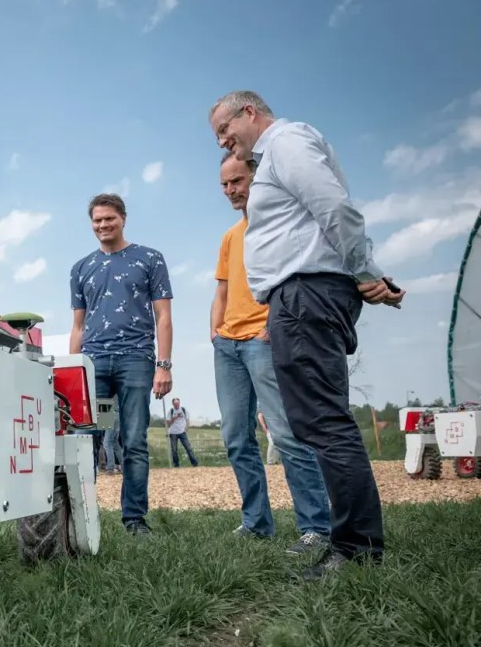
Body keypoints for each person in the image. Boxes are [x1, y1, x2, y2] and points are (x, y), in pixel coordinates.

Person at [209, 90, 405, 579]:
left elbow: (334, 206)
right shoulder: (275, 154)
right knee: (318, 422)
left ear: (249, 112)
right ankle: (353, 543)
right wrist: (368, 274)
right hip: (301, 297)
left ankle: (356, 550)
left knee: (323, 423)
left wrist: (363, 270)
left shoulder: (286, 141)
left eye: (223, 130)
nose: (222, 141)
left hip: (305, 296)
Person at [211, 153, 331, 554]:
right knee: (235, 438)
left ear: (257, 179)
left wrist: (271, 328)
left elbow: (295, 282)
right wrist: (215, 332)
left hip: (264, 342)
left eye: (237, 181)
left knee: (285, 434)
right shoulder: (231, 236)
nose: (231, 190)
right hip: (228, 346)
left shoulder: (280, 227)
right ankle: (256, 523)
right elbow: (222, 290)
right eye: (225, 184)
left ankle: (316, 527)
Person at [70, 193, 174, 536]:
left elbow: (163, 316)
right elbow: (78, 326)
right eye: (97, 220)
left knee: (134, 441)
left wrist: (164, 365)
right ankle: (82, 516)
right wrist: (73, 370)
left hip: (135, 361)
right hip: (94, 364)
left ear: (123, 219)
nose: (103, 225)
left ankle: (134, 519)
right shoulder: (81, 268)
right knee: (87, 438)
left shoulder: (150, 259)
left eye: (109, 219)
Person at [166, 397, 199, 468]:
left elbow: (188, 421)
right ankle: (176, 465)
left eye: (178, 403)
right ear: (173, 404)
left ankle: (195, 464)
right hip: (173, 433)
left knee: (188, 448)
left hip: (182, 432)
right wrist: (174, 418)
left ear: (179, 403)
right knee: (174, 450)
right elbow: (168, 424)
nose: (177, 405)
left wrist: (185, 430)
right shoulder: (170, 411)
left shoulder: (184, 410)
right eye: (175, 404)